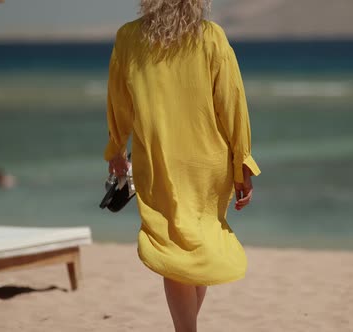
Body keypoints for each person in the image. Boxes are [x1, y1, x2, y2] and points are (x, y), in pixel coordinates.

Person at [104, 1, 261, 331]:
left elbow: (119, 102)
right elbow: (233, 104)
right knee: (194, 246)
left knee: (175, 249)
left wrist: (116, 148)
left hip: (158, 162)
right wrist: (241, 163)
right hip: (207, 164)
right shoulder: (210, 37)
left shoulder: (128, 38)